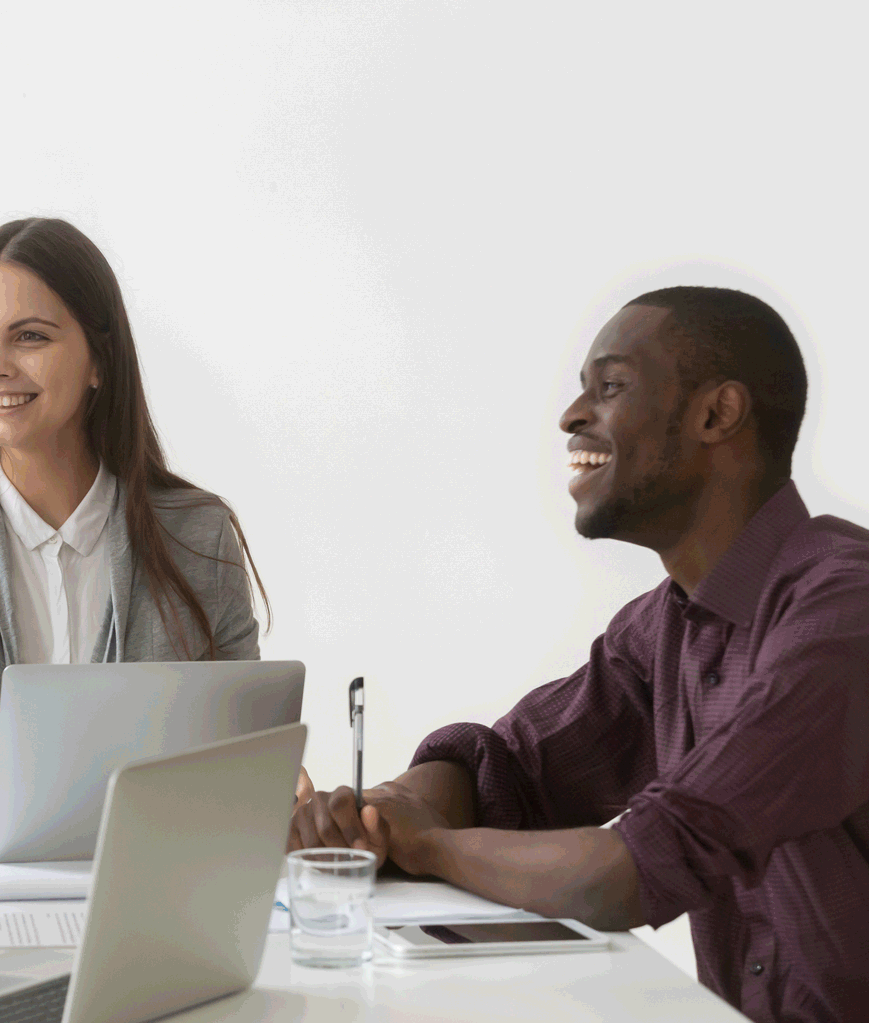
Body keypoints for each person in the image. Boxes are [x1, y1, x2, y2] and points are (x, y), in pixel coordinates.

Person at [290, 287, 868, 1023]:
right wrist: (381, 811)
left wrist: (428, 844)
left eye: (611, 385)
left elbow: (627, 872)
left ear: (717, 415)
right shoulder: (664, 630)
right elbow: (510, 767)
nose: (571, 416)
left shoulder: (845, 612)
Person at [0, 217, 278, 823]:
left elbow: (245, 752)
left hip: (146, 897)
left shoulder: (197, 534)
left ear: (98, 361)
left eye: (29, 337)